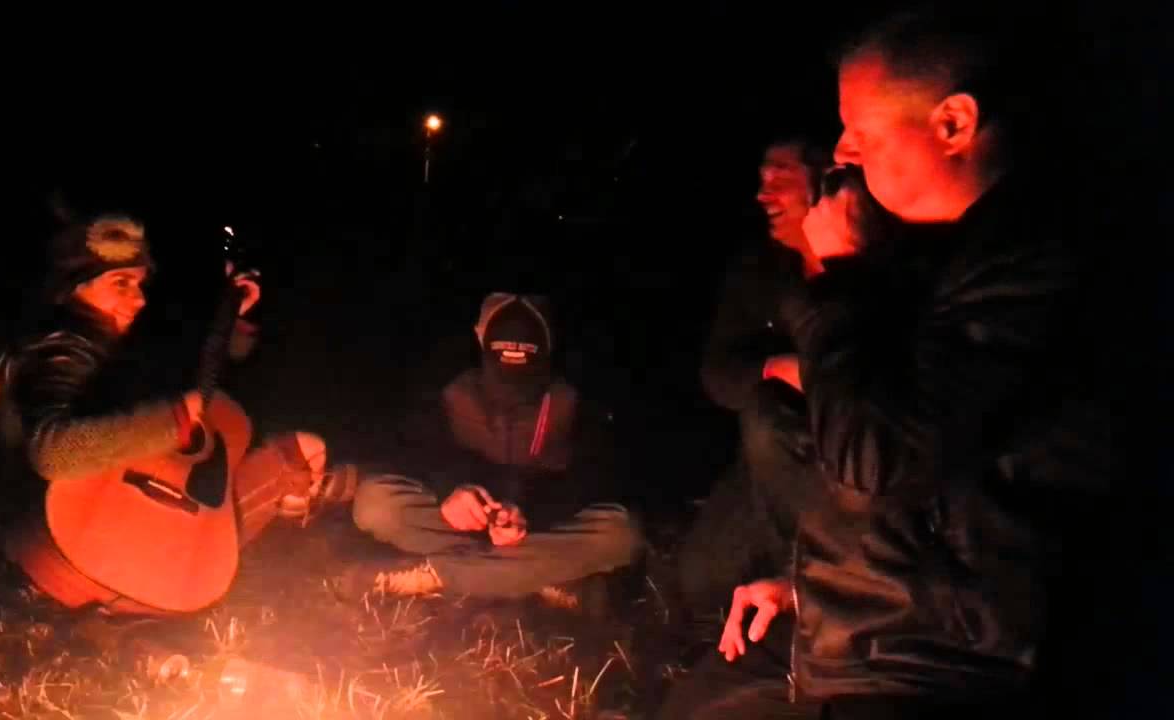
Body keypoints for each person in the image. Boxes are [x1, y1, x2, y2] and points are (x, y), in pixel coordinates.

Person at [707, 6, 1109, 719]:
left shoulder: (1029, 270)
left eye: (858, 131)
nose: (841, 151)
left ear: (952, 123)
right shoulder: (925, 262)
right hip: (866, 641)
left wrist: (836, 283)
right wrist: (809, 586)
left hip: (941, 672)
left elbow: (881, 461)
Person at [0, 212, 329, 615]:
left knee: (297, 449)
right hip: (67, 550)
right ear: (72, 288)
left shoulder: (109, 343)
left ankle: (159, 587)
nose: (139, 299)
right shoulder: (61, 349)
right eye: (120, 283)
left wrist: (236, 312)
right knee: (298, 458)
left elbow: (205, 373)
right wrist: (172, 421)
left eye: (140, 284)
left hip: (111, 545)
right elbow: (53, 451)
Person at [346, 292, 642, 608]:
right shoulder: (448, 386)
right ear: (479, 334)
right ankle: (539, 577)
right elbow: (421, 449)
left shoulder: (577, 399)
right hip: (464, 522)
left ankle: (435, 575)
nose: (514, 341)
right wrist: (453, 488)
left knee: (621, 534)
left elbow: (592, 475)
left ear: (550, 341)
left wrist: (529, 509)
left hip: (534, 527)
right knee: (375, 502)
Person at [678, 137, 830, 614]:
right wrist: (780, 367)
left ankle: (815, 584)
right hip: (773, 455)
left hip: (851, 459)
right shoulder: (759, 269)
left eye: (779, 179)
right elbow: (718, 374)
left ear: (825, 181)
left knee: (764, 409)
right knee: (701, 582)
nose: (763, 195)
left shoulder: (873, 265)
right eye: (761, 180)